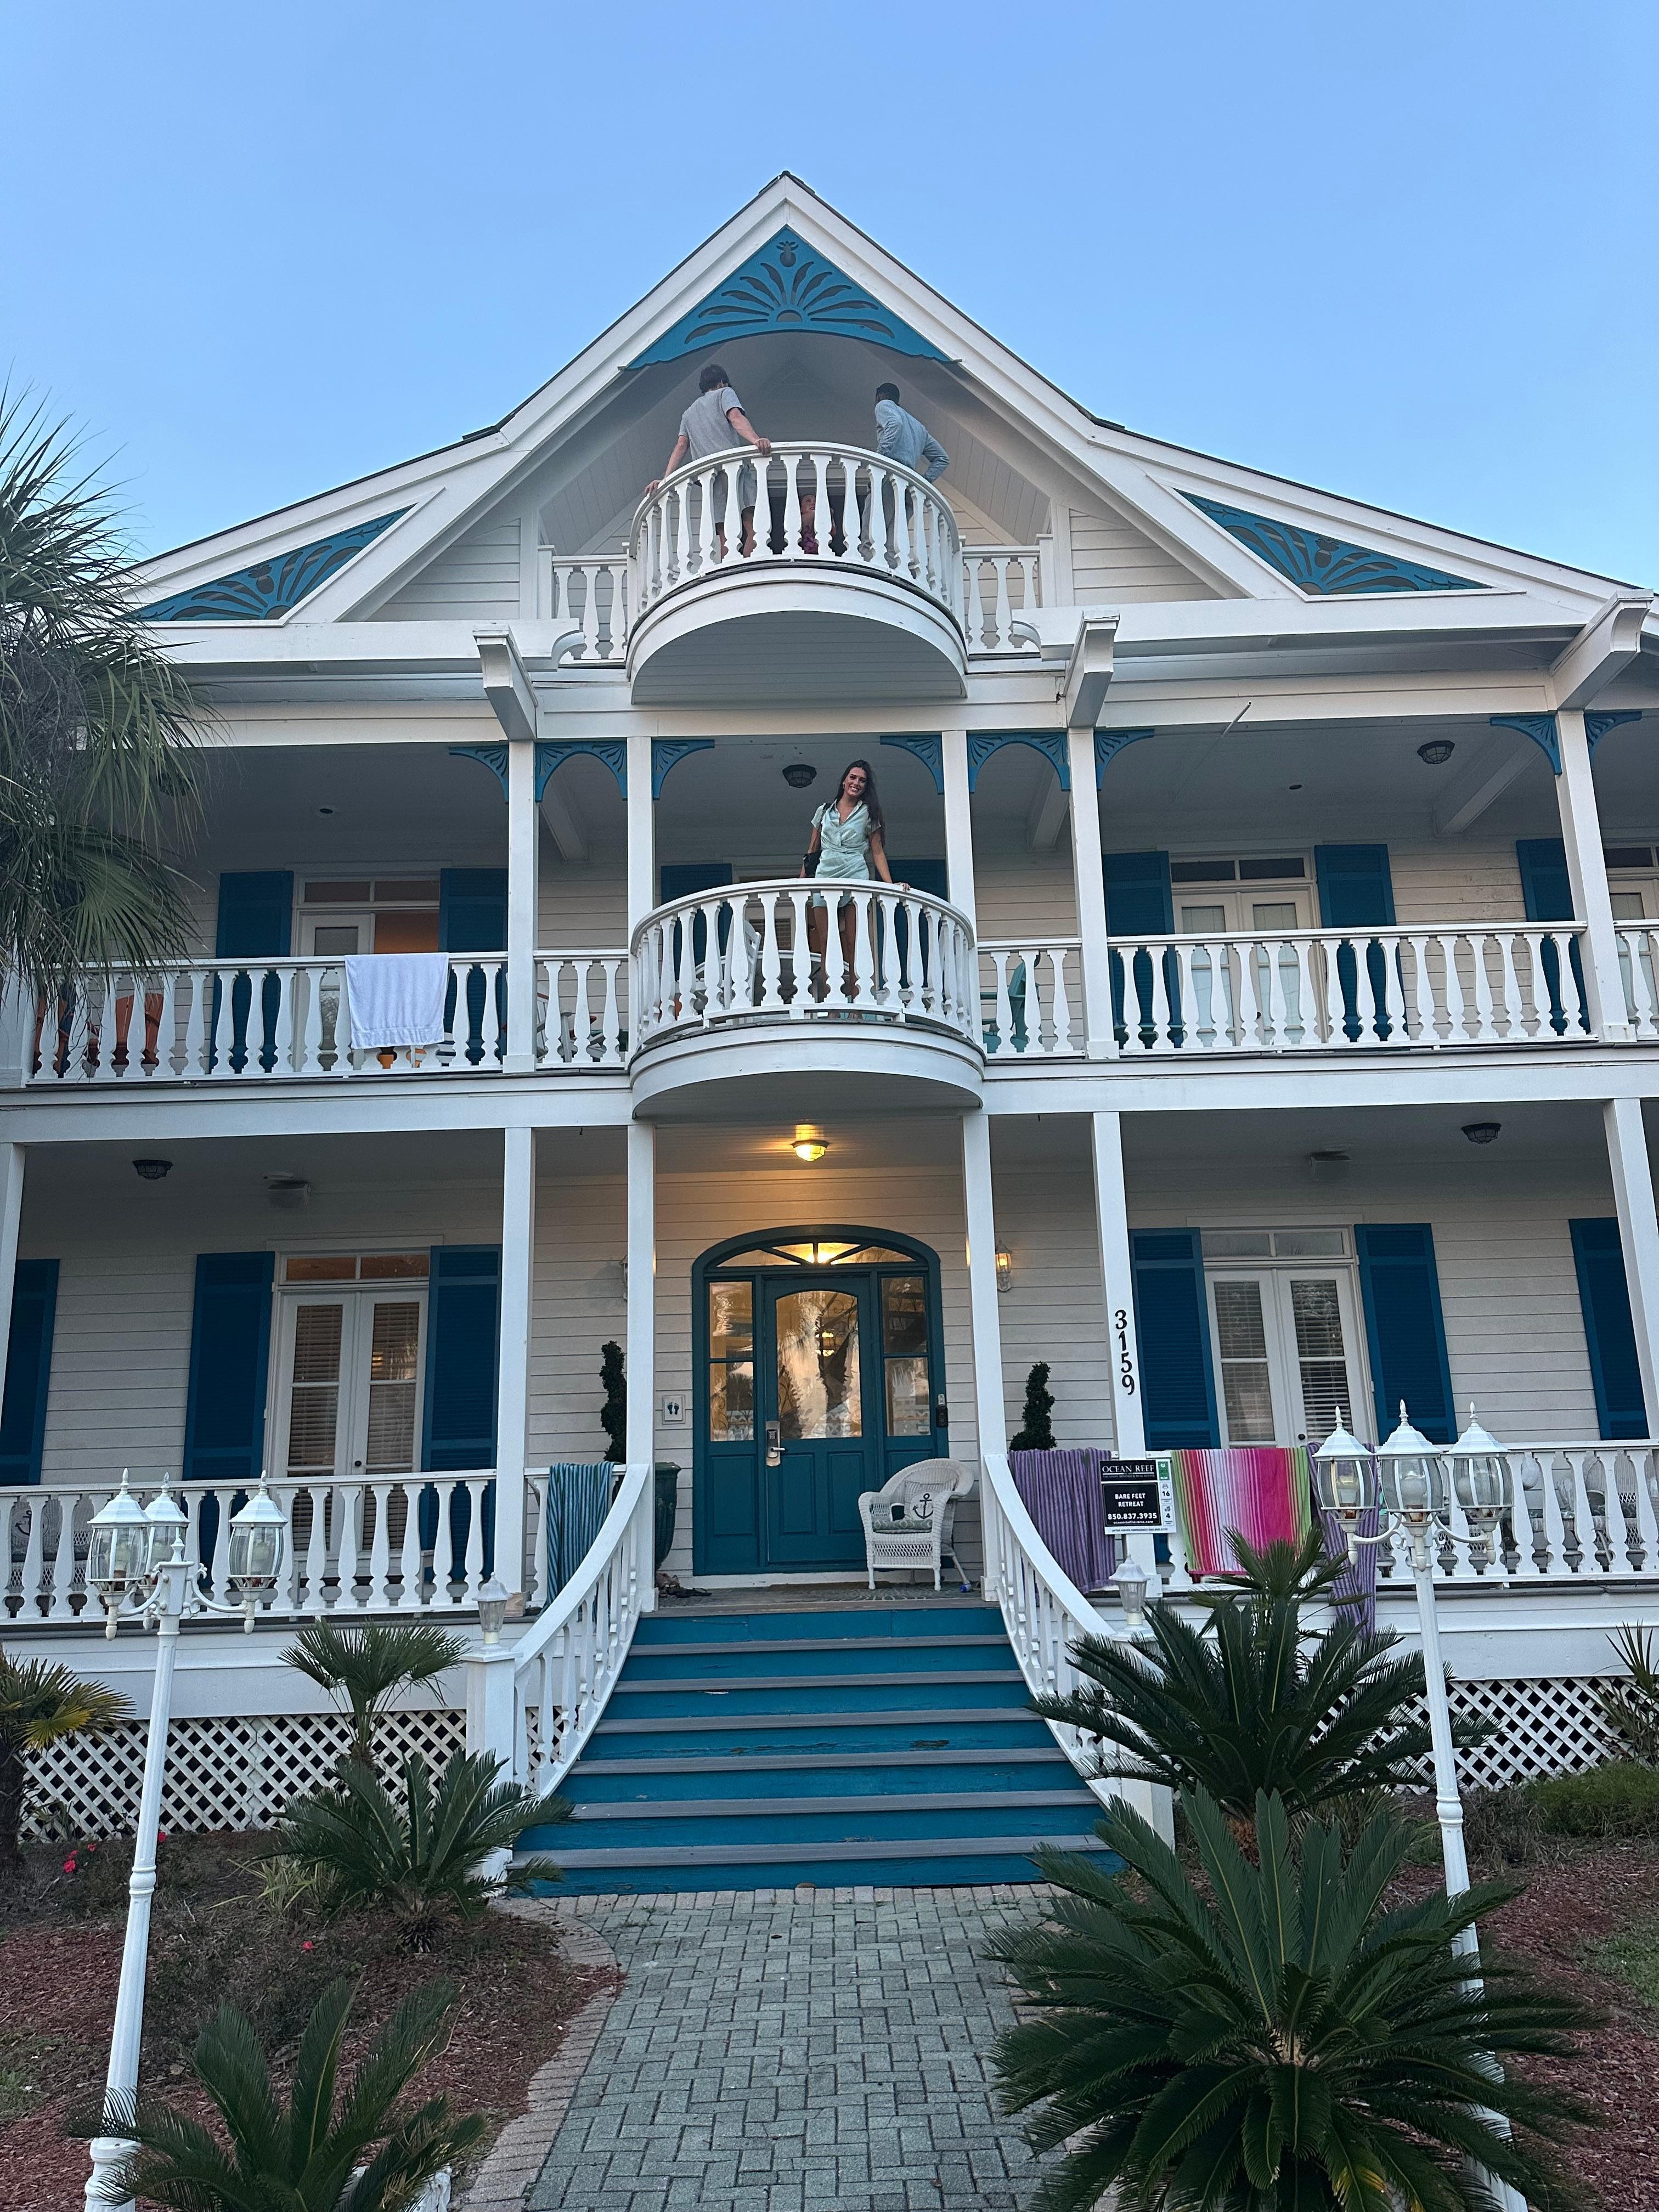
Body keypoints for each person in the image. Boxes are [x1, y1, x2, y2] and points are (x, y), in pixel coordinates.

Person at [801, 759, 907, 995]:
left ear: (866, 786)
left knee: (854, 944)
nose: (856, 783)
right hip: (825, 877)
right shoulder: (824, 811)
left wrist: (890, 885)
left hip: (855, 876)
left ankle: (857, 1005)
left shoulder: (869, 814)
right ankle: (832, 1004)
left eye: (862, 780)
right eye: (853, 777)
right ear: (844, 781)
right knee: (827, 944)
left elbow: (877, 851)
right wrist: (802, 881)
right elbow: (812, 850)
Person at [647, 362, 774, 557]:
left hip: (711, 480)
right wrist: (756, 440)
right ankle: (751, 566)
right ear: (723, 382)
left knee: (724, 535)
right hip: (733, 470)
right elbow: (736, 418)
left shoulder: (688, 414)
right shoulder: (725, 394)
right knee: (753, 527)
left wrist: (664, 479)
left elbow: (681, 445)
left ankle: (728, 570)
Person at [873, 382, 949, 483]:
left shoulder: (883, 404)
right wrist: (925, 480)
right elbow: (942, 458)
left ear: (880, 395)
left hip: (890, 472)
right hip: (907, 480)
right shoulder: (920, 428)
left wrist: (879, 457)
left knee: (875, 493)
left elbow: (895, 424)